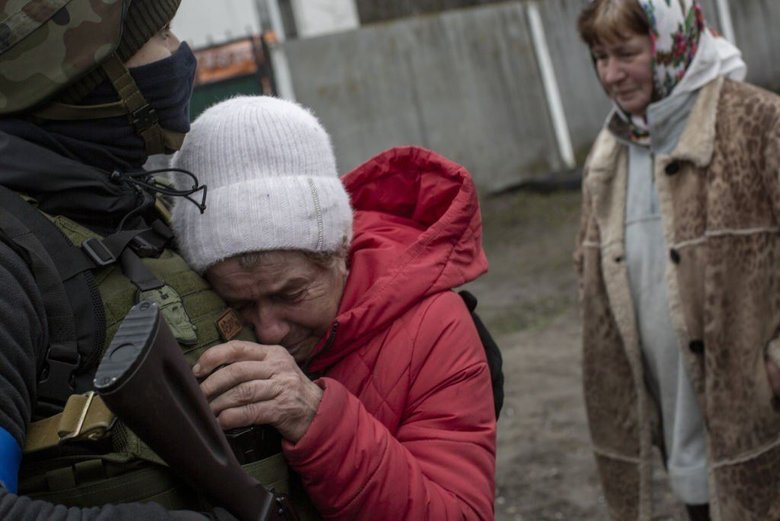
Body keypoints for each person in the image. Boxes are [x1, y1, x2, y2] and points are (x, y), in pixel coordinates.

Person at [0, 1, 306, 519]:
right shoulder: (13, 260)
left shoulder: (140, 206)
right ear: (87, 79)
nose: (180, 53)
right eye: (161, 34)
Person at [169, 95, 497, 520]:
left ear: (340, 251)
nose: (269, 331)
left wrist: (315, 420)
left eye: (290, 294)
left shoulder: (433, 327)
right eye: (239, 304)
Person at [574, 0, 780, 520]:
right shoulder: (610, 154)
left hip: (764, 429)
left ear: (672, 43)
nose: (612, 75)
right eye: (600, 57)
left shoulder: (758, 123)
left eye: (626, 53)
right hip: (684, 445)